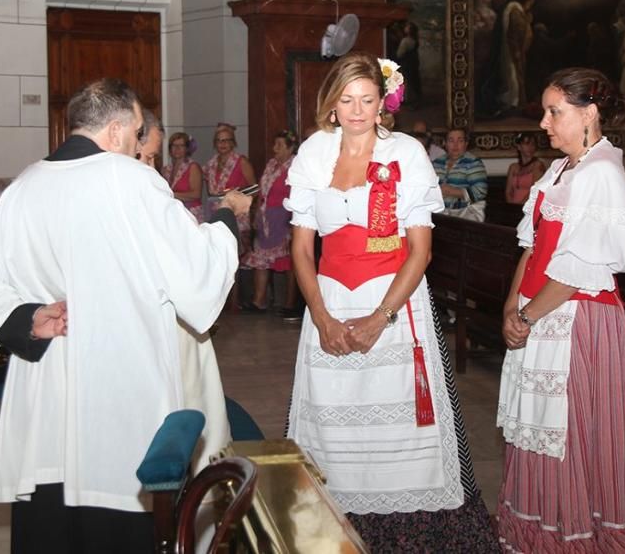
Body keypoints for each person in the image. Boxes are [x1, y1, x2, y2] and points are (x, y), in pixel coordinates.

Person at [0, 78, 248, 553]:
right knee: (117, 525)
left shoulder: (22, 186)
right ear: (116, 132)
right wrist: (226, 221)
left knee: (51, 525)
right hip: (120, 395)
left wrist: (29, 318)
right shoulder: (132, 181)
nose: (139, 146)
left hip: (45, 392)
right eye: (138, 134)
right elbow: (196, 277)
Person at [284, 52, 497, 552]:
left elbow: (420, 251)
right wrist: (320, 315)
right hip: (330, 297)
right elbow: (301, 247)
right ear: (331, 105)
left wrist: (381, 318)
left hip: (395, 304)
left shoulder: (406, 153)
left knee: (400, 421)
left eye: (367, 99)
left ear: (383, 103)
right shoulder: (315, 152)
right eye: (346, 100)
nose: (357, 110)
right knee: (334, 419)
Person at [496, 67, 625, 552]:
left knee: (571, 434)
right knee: (538, 429)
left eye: (554, 112)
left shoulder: (602, 172)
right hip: (540, 314)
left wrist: (525, 316)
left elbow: (581, 268)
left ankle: (577, 536)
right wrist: (510, 306)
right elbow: (533, 244)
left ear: (589, 113)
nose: (545, 122)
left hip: (578, 320)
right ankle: (537, 531)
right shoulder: (562, 168)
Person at [135, 115, 233, 473]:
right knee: (189, 391)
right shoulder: (145, 191)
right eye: (147, 157)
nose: (153, 167)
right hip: (162, 318)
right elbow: (193, 271)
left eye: (155, 159)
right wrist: (227, 216)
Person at [247, 130, 298, 315]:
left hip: (284, 217)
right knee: (261, 259)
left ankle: (290, 303)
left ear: (290, 147)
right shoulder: (271, 164)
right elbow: (262, 191)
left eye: (279, 145)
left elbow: (296, 194)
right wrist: (256, 215)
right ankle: (258, 300)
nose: (274, 149)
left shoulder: (295, 166)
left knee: (288, 261)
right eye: (274, 144)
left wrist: (293, 224)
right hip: (266, 217)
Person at [204, 123, 256, 257]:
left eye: (226, 140)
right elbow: (210, 191)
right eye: (219, 140)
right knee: (218, 254)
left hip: (236, 213)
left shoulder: (241, 161)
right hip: (215, 212)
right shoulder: (210, 164)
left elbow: (254, 188)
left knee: (234, 255)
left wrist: (234, 193)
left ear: (233, 143)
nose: (223, 144)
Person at [432, 128, 488, 221]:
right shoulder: (437, 163)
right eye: (451, 140)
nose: (455, 145)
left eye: (460, 140)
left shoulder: (473, 162)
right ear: (445, 143)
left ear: (466, 144)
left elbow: (480, 192)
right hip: (440, 216)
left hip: (465, 217)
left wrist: (453, 191)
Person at [162, 131, 204, 222]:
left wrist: (172, 194)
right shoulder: (166, 169)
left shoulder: (193, 167)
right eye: (174, 145)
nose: (177, 148)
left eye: (181, 146)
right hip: (174, 212)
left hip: (191, 212)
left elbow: (196, 194)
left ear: (187, 149)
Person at [505, 132, 546, 205]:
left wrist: (521, 206)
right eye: (527, 144)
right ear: (519, 147)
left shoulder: (538, 165)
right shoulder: (513, 167)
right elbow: (508, 191)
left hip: (529, 207)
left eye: (533, 144)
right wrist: (511, 206)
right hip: (512, 208)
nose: (530, 147)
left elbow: (535, 191)